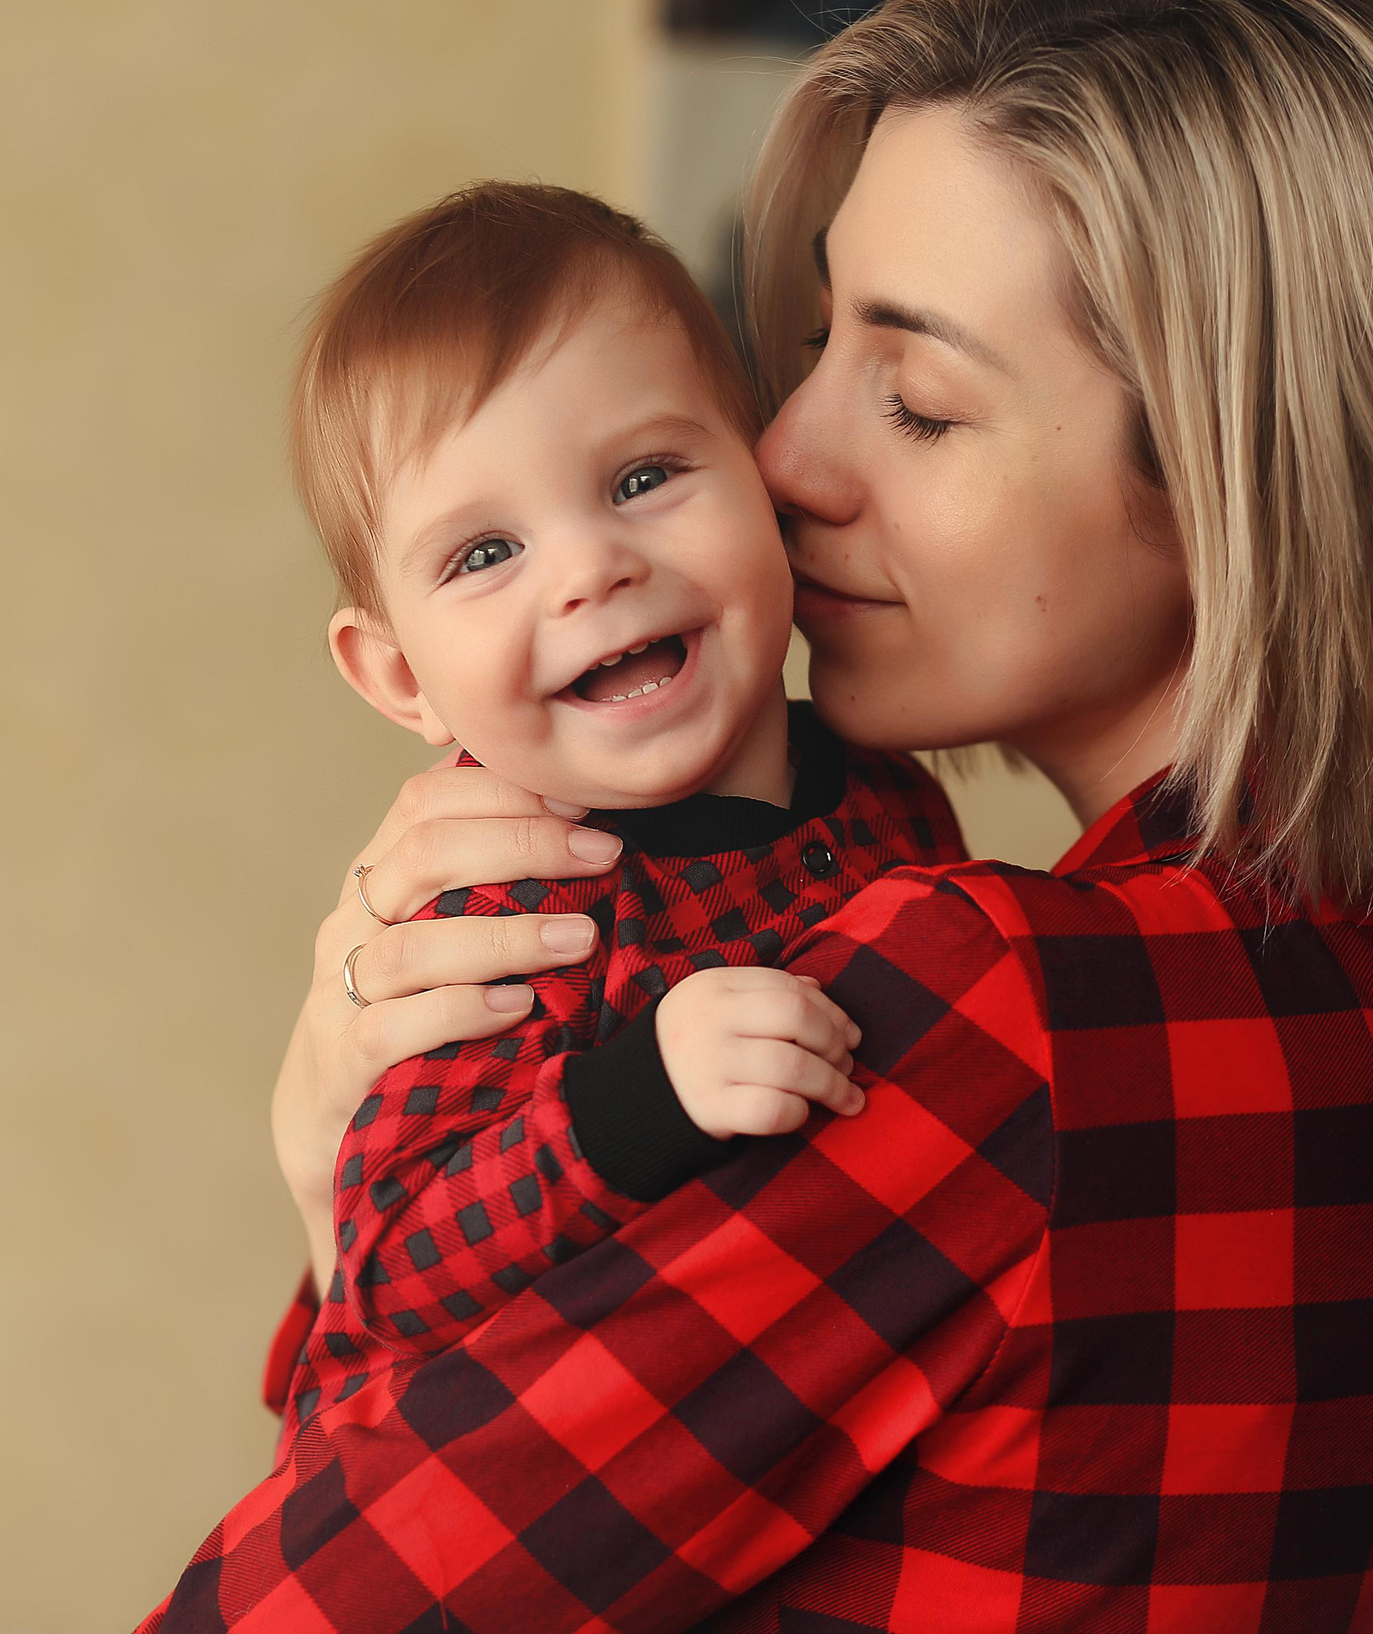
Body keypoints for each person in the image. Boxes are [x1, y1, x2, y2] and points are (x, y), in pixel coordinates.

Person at [152, 0, 1373, 1628]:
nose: (782, 455)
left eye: (914, 400)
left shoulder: (986, 1020)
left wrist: (331, 1166)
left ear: (1239, 482)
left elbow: (296, 1606)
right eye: (820, 334)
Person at [266, 184, 966, 1448]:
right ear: (400, 676)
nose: (592, 568)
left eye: (644, 477)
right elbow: (389, 1276)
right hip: (476, 1518)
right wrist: (634, 1097)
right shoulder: (507, 915)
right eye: (484, 554)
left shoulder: (891, 800)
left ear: (764, 477)